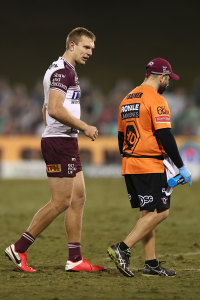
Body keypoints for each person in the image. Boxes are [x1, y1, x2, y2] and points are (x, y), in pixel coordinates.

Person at [5, 27, 105, 273]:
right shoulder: (63, 72)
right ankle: (19, 248)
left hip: (63, 140)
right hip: (60, 142)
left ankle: (75, 259)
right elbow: (55, 109)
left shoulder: (61, 69)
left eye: (92, 48)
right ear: (72, 45)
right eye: (86, 47)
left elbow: (45, 106)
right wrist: (84, 127)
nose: (90, 52)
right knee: (60, 201)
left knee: (78, 197)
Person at [107, 58, 192, 277]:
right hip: (149, 164)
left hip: (130, 163)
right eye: (168, 79)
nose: (168, 83)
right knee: (161, 212)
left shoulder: (127, 99)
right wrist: (181, 166)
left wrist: (131, 157)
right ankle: (122, 248)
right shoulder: (156, 99)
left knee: (147, 214)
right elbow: (165, 134)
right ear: (162, 77)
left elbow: (120, 137)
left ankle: (151, 264)